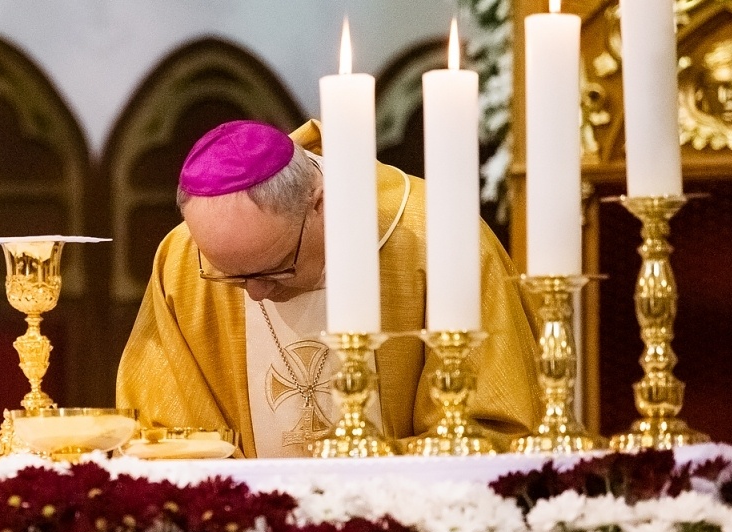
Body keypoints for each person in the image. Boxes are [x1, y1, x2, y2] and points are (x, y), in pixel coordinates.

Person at [118, 119, 540, 457]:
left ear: (321, 203)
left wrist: (365, 467)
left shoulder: (439, 237)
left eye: (275, 269)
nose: (256, 294)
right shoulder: (182, 259)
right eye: (231, 277)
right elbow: (161, 439)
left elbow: (495, 428)